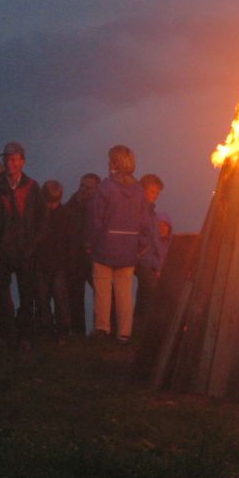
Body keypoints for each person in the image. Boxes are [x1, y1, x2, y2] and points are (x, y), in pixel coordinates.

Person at [86, 145, 153, 344]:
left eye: (110, 160)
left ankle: (102, 330)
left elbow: (96, 218)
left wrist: (89, 243)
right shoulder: (140, 191)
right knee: (125, 293)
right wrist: (141, 246)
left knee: (103, 292)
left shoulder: (106, 187)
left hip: (104, 248)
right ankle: (124, 333)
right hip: (129, 250)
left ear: (115, 163)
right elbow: (145, 222)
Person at [0, 141, 47, 345]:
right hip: (1, 251)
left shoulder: (32, 187)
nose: (8, 163)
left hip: (25, 251)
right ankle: (5, 333)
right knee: (2, 294)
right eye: (6, 159)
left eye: (12, 159)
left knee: (27, 295)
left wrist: (33, 244)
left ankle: (24, 335)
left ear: (22, 162)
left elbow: (42, 219)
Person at [48, 172, 98, 336]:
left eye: (88, 187)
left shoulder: (98, 209)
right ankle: (78, 334)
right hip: (74, 260)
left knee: (102, 296)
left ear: (96, 191)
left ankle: (102, 332)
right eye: (82, 186)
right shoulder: (69, 209)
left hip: (93, 259)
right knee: (75, 298)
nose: (84, 190)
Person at [135, 173, 173, 336]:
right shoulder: (137, 209)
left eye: (157, 192)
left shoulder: (151, 211)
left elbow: (155, 241)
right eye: (152, 191)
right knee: (151, 295)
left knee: (144, 297)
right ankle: (146, 334)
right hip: (142, 260)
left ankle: (138, 332)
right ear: (142, 189)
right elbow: (145, 240)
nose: (154, 195)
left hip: (149, 261)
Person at [35, 180, 66, 337]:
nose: (52, 205)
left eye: (55, 202)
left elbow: (67, 241)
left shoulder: (63, 215)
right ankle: (45, 329)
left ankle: (62, 330)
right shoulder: (39, 214)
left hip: (57, 264)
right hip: (42, 262)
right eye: (49, 202)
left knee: (59, 298)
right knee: (42, 298)